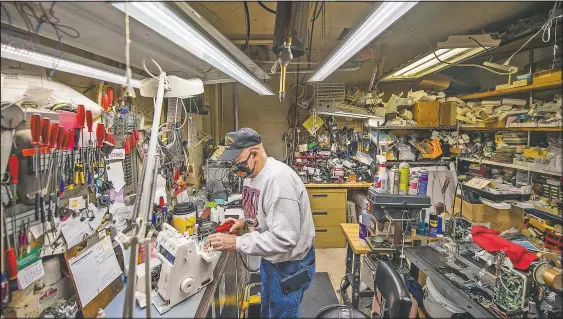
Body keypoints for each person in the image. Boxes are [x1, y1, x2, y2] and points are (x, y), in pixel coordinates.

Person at [207, 128, 316, 318]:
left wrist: (237, 243)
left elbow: (285, 239)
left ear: (254, 154)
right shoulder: (252, 176)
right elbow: (262, 208)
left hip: (290, 264)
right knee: (268, 310)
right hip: (272, 260)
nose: (234, 166)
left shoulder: (279, 182)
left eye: (236, 160)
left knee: (283, 314)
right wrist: (244, 221)